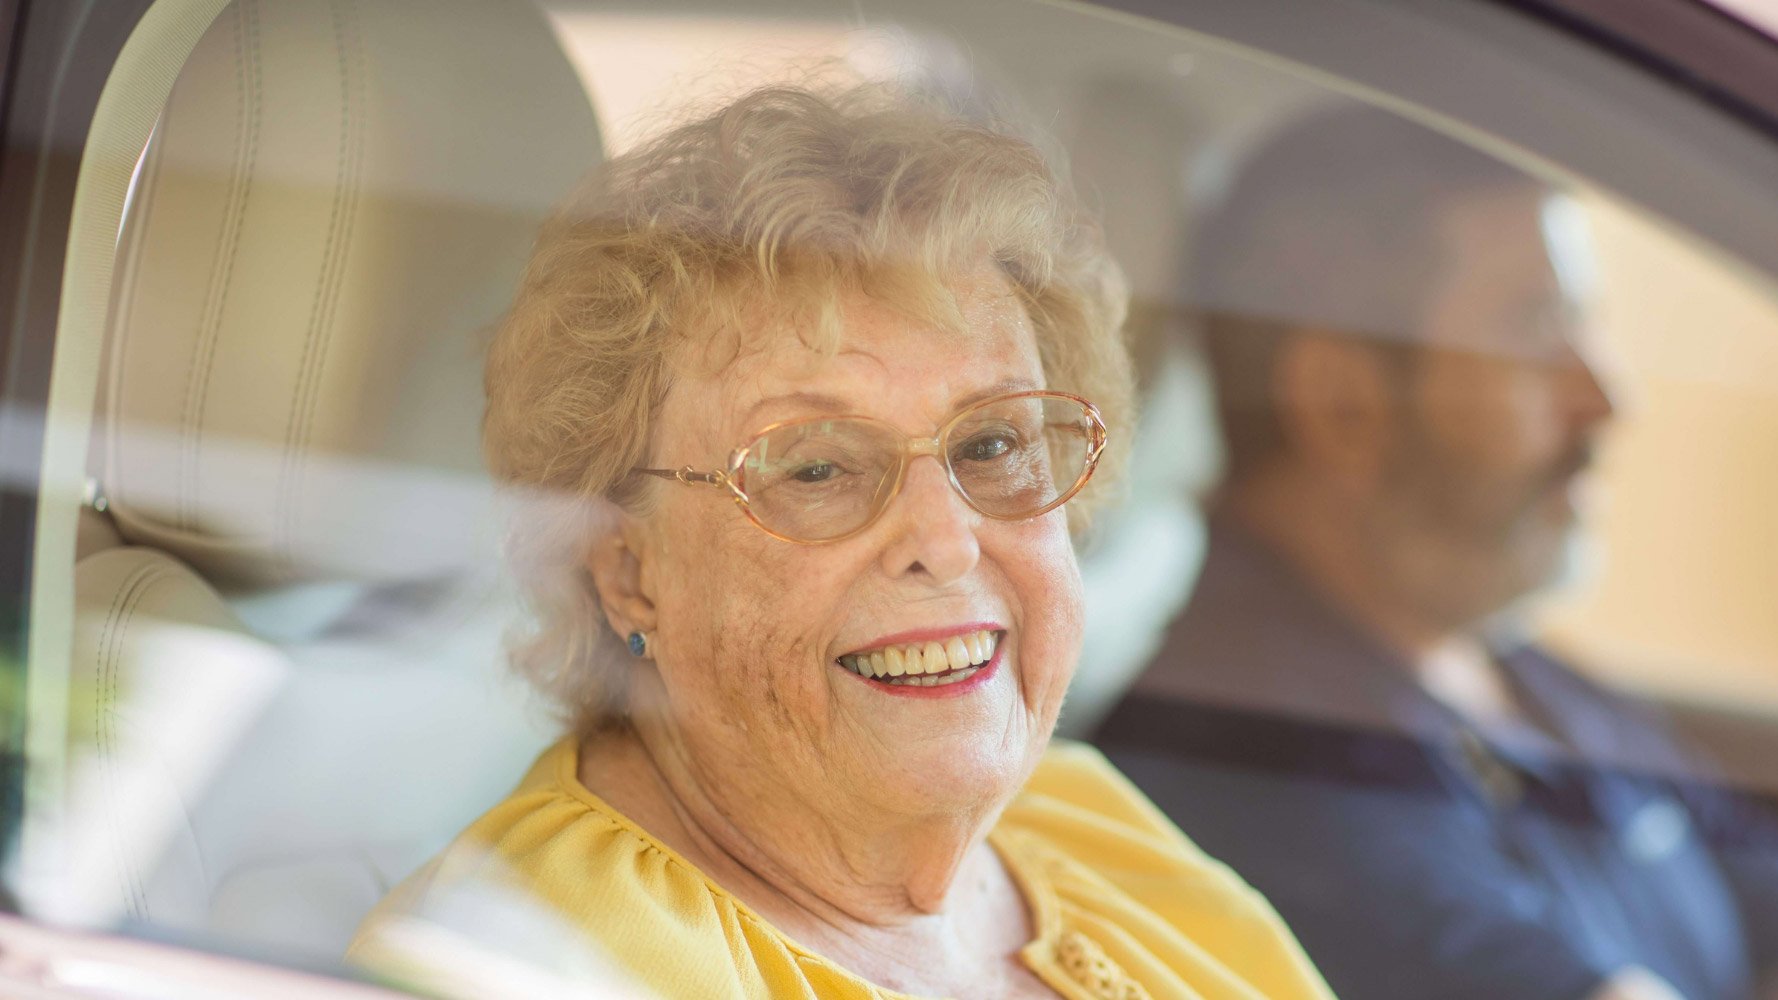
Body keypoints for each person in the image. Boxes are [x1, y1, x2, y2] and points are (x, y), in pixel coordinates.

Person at [347, 85, 1335, 1000]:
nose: (945, 542)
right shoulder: (529, 963)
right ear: (627, 570)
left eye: (991, 443)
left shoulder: (1081, 821)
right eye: (814, 467)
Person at [1091, 104, 1778, 1000]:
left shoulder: (1506, 668)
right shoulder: (1261, 769)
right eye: (1537, 329)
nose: (1605, 397)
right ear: (1344, 404)